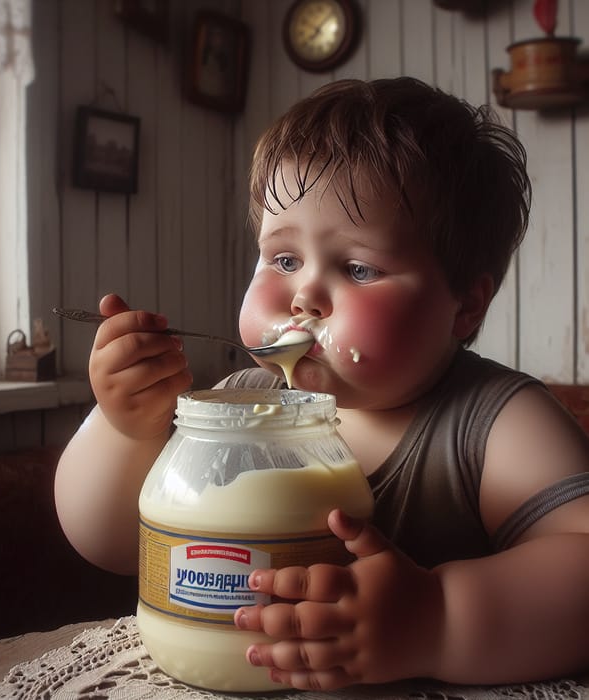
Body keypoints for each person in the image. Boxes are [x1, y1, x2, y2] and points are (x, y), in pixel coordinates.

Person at [55, 77, 589, 691]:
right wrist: (125, 430)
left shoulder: (496, 423)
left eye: (358, 268)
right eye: (283, 260)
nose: (303, 296)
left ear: (464, 307)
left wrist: (436, 619)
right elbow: (111, 543)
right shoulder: (236, 406)